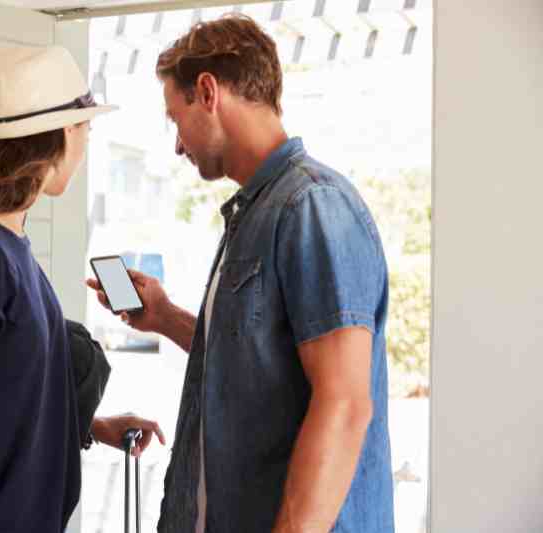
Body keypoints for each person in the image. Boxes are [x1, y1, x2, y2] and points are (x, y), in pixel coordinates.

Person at [88, 15, 394, 533]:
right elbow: (256, 362)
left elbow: (344, 405)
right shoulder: (255, 212)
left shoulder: (312, 206)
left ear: (208, 92)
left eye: (176, 118)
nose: (177, 145)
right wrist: (164, 317)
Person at [0, 46, 165, 533]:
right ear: (65, 132)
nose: (85, 145)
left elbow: (2, 397)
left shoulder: (6, 244)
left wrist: (89, 426)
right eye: (86, 129)